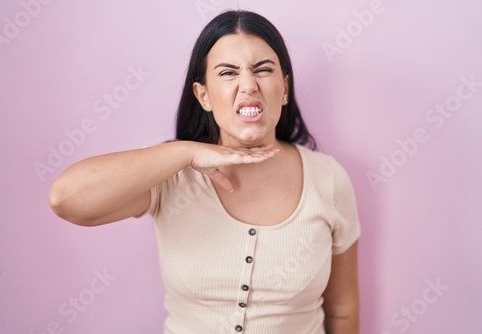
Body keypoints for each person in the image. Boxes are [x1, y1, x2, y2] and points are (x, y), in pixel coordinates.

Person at [49, 10, 361, 334]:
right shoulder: (170, 174)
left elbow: (342, 306)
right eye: (228, 73)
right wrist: (185, 151)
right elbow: (65, 199)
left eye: (263, 70)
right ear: (203, 95)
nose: (248, 85)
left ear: (283, 88)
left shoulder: (329, 179)